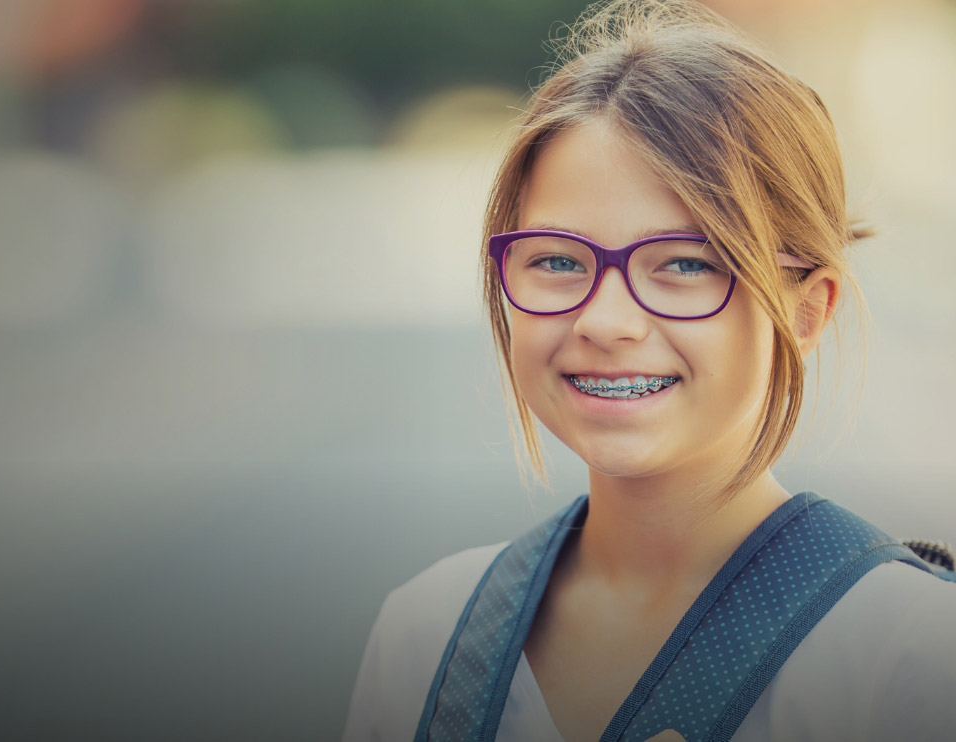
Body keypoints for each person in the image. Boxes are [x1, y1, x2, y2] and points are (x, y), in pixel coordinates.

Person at [341, 1, 956, 740]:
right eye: (558, 261)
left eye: (686, 265)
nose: (605, 321)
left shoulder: (910, 657)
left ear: (805, 311)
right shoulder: (426, 639)